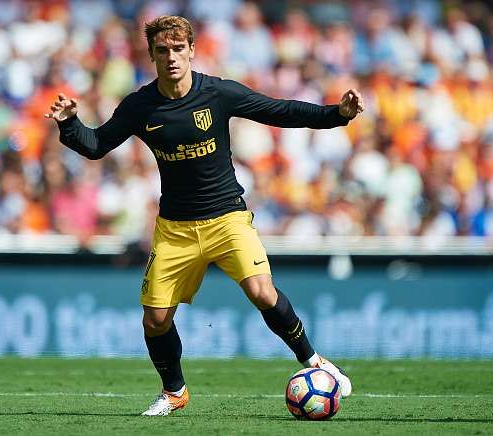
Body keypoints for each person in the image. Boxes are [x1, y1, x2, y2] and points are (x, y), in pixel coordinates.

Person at [45, 15, 364, 416]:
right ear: (152, 56)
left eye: (179, 49)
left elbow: (278, 110)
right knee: (155, 320)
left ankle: (314, 362)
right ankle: (174, 391)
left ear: (192, 50)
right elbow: (96, 145)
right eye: (163, 51)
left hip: (227, 218)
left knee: (262, 291)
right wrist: (71, 124)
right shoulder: (140, 105)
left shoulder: (217, 93)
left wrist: (338, 114)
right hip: (174, 229)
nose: (172, 57)